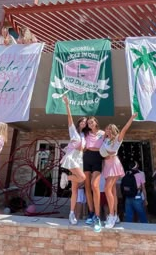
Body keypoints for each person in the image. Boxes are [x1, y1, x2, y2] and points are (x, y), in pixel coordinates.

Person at [100, 113, 137, 228]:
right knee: (112, 192)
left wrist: (131, 117)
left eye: (110, 130)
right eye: (107, 129)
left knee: (107, 190)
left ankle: (111, 215)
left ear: (114, 131)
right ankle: (115, 215)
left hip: (114, 165)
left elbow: (125, 128)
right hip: (107, 165)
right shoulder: (105, 139)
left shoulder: (117, 139)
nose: (108, 131)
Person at [59, 96, 86, 225]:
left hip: (80, 160)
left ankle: (71, 213)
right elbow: (69, 119)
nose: (84, 123)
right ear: (79, 122)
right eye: (82, 121)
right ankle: (66, 177)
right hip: (73, 157)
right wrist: (67, 105)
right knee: (82, 178)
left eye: (85, 122)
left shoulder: (85, 136)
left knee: (75, 190)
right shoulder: (74, 132)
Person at [83, 116, 105, 232]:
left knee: (94, 186)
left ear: (96, 122)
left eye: (92, 122)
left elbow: (109, 143)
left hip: (97, 158)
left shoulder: (103, 133)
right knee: (87, 186)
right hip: (87, 157)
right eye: (88, 123)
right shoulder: (86, 133)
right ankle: (91, 213)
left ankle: (97, 216)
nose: (90, 124)